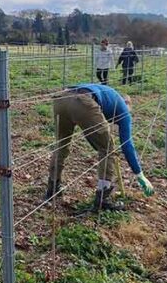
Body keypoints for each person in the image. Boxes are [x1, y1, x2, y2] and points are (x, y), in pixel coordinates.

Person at [46, 83, 154, 211]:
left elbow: (89, 132)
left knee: (62, 144)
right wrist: (139, 173)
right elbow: (127, 145)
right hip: (82, 101)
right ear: (127, 105)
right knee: (108, 149)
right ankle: (103, 197)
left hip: (61, 98)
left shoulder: (108, 96)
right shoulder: (124, 111)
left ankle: (53, 186)